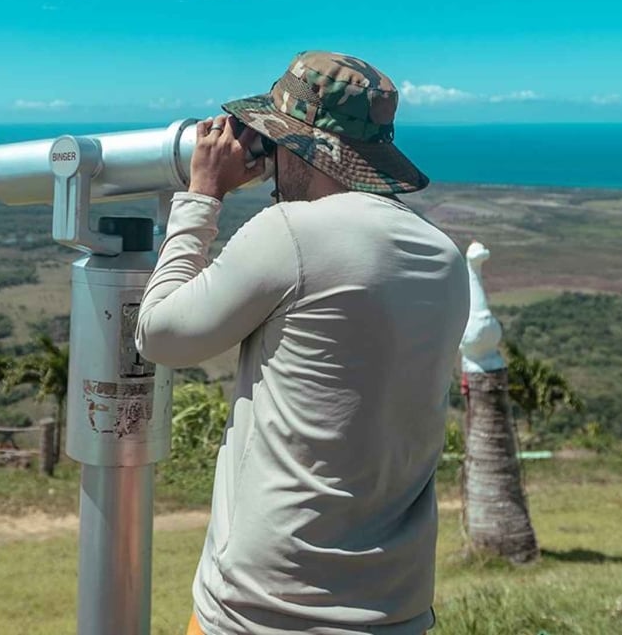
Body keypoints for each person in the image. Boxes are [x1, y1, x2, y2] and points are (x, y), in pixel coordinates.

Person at [135, 51, 472, 635]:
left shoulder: (292, 232)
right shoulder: (442, 255)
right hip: (396, 607)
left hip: (266, 610)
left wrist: (203, 194)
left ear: (304, 146)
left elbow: (161, 334)